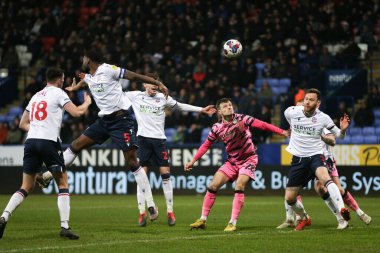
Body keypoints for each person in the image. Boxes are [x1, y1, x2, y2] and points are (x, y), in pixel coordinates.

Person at [40, 49, 169, 221]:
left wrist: (158, 84)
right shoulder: (89, 76)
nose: (83, 59)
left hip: (121, 120)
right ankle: (48, 176)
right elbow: (89, 81)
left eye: (85, 56)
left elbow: (134, 76)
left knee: (132, 161)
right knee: (76, 145)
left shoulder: (109, 69)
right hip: (104, 122)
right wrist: (77, 86)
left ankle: (151, 204)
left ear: (90, 59)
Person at [0, 67, 92, 240]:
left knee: (25, 186)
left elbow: (22, 124)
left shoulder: (35, 96)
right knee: (62, 182)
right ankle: (65, 227)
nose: (63, 82)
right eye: (63, 79)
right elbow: (77, 112)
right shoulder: (58, 93)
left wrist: (37, 128)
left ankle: (4, 216)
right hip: (48, 142)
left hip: (31, 141)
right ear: (59, 80)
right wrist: (87, 102)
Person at [124, 73, 216, 226]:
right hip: (143, 140)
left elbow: (179, 106)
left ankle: (170, 212)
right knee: (142, 176)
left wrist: (201, 110)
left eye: (156, 82)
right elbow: (113, 92)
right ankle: (142, 213)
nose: (154, 85)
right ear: (144, 84)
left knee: (165, 174)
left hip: (159, 140)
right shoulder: (135, 96)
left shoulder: (163, 97)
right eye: (150, 82)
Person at [185, 98, 289, 232]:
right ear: (220, 112)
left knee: (239, 185)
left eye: (230, 105)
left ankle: (232, 222)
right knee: (213, 185)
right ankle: (203, 219)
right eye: (225, 106)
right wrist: (193, 161)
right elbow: (206, 145)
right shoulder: (217, 128)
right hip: (232, 162)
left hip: (249, 159)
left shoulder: (243, 119)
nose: (229, 107)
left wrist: (282, 132)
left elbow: (262, 125)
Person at [281, 88, 351, 231]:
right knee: (289, 198)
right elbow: (289, 120)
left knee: (325, 178)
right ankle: (304, 216)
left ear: (318, 103)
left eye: (311, 100)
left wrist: (343, 130)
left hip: (315, 156)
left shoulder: (323, 118)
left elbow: (339, 136)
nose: (307, 102)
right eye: (306, 99)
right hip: (298, 159)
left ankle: (342, 213)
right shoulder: (292, 112)